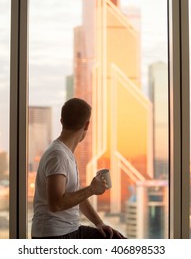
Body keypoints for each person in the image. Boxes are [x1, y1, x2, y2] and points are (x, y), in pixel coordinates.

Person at [31, 98, 125, 239]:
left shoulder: (65, 153)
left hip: (70, 230)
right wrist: (91, 189)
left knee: (115, 238)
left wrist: (99, 223)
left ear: (61, 121)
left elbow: (76, 195)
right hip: (55, 236)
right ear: (87, 125)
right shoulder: (58, 155)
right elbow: (56, 204)